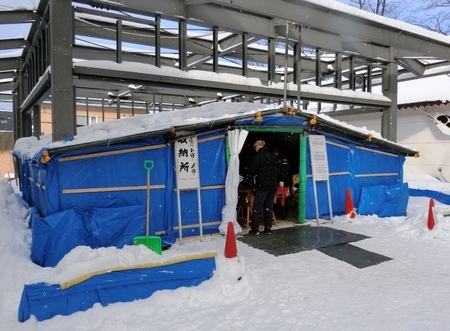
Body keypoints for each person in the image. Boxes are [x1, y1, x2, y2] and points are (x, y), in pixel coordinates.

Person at [246, 140, 279, 235]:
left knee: (257, 207)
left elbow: (251, 171)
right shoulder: (273, 156)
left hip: (262, 186)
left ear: (258, 146)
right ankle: (268, 228)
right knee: (269, 207)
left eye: (254, 147)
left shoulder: (257, 157)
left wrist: (249, 175)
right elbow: (278, 170)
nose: (254, 149)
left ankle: (255, 229)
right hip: (272, 186)